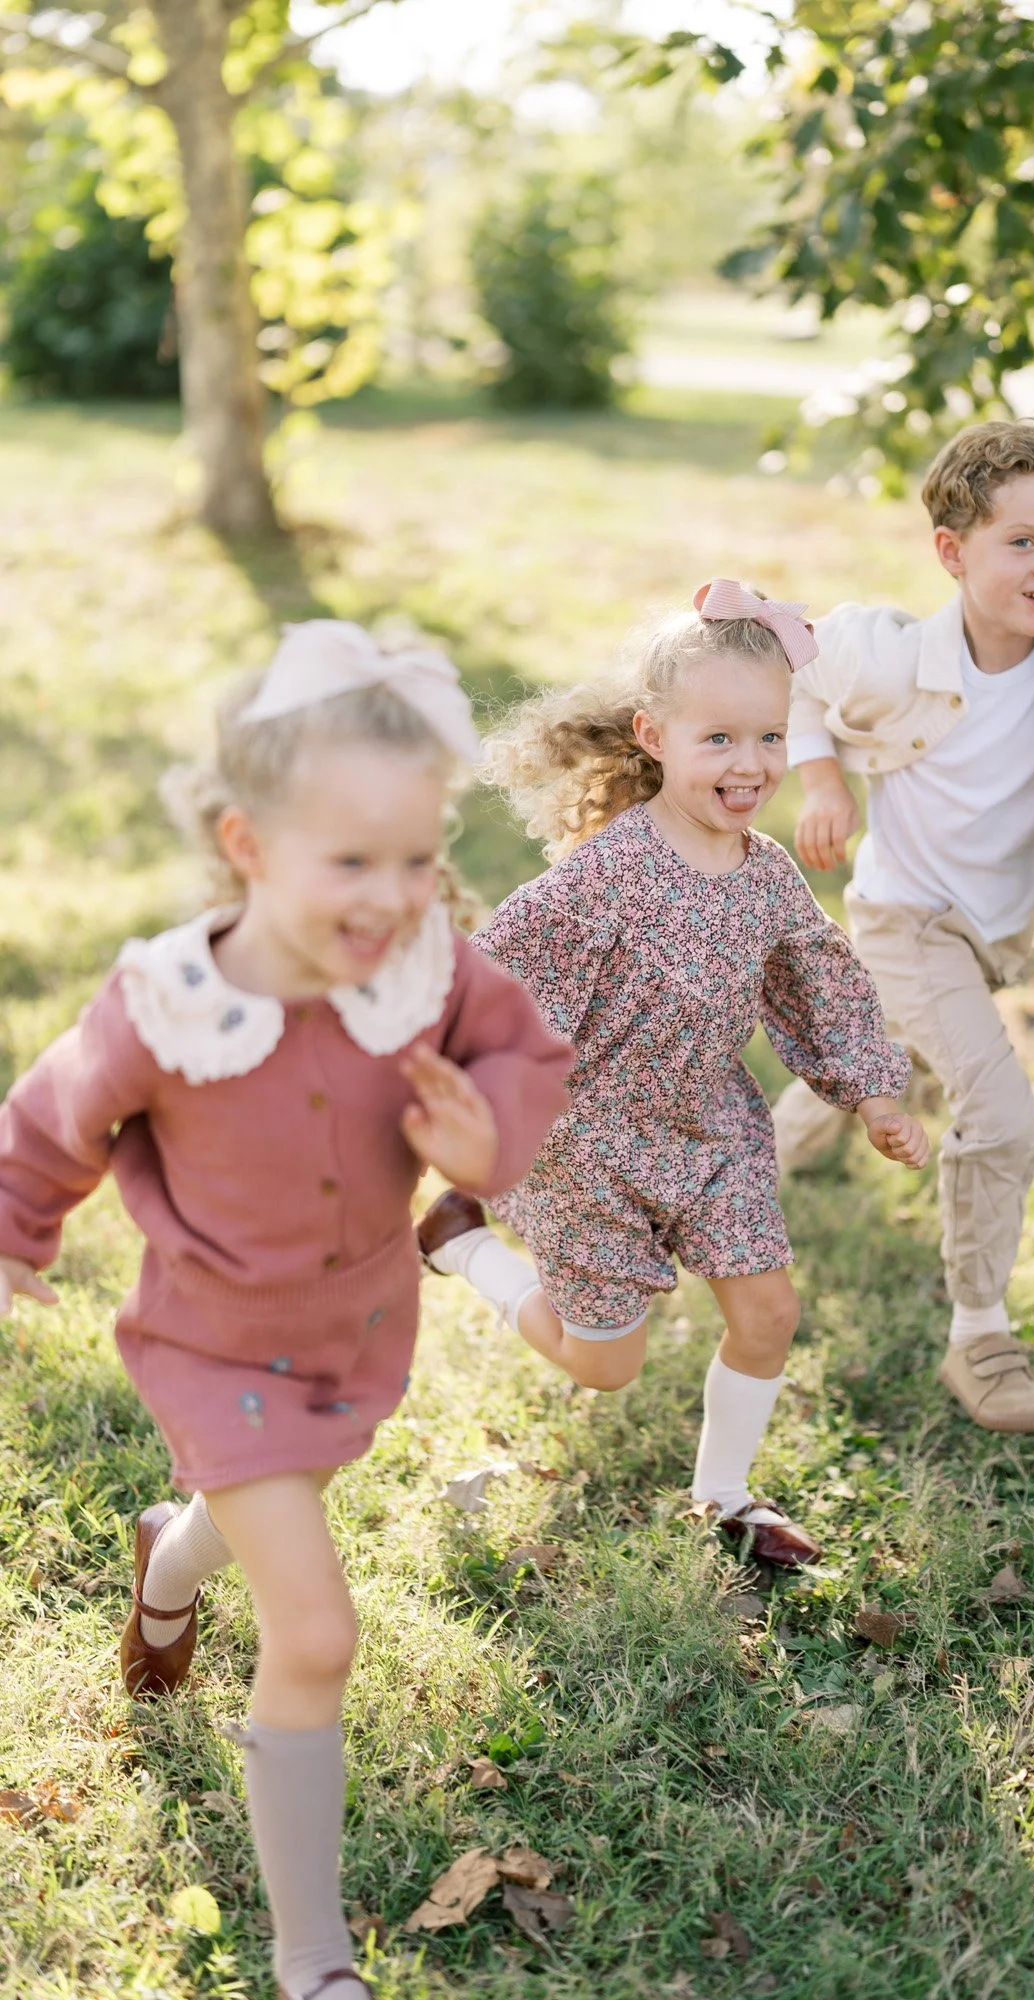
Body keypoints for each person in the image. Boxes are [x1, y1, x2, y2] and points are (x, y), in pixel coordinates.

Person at [0, 621, 571, 2000]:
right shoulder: (171, 1003)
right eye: (352, 863)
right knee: (313, 1632)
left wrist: (482, 1133)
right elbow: (49, 1118)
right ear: (248, 843)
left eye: (420, 860)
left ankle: (170, 1557)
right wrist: (15, 1231)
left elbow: (521, 1050)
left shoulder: (425, 965)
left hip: (355, 1332)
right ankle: (312, 1958)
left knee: (273, 1494)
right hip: (209, 1344)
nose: (394, 897)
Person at [418, 580, 927, 1566]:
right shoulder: (608, 871)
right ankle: (460, 1244)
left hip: (708, 1128)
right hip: (585, 1140)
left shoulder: (769, 871)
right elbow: (502, 978)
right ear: (654, 735)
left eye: (770, 738)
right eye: (720, 740)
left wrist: (870, 1091)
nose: (751, 765)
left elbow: (817, 981)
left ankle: (723, 1496)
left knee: (769, 1309)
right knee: (605, 1364)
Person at [772, 418, 1034, 1435]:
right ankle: (979, 1339)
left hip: (992, 934)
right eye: (1023, 541)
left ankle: (753, 1163)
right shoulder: (890, 651)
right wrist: (820, 778)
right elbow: (793, 677)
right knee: (999, 1116)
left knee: (868, 1056)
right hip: (904, 916)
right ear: (952, 552)